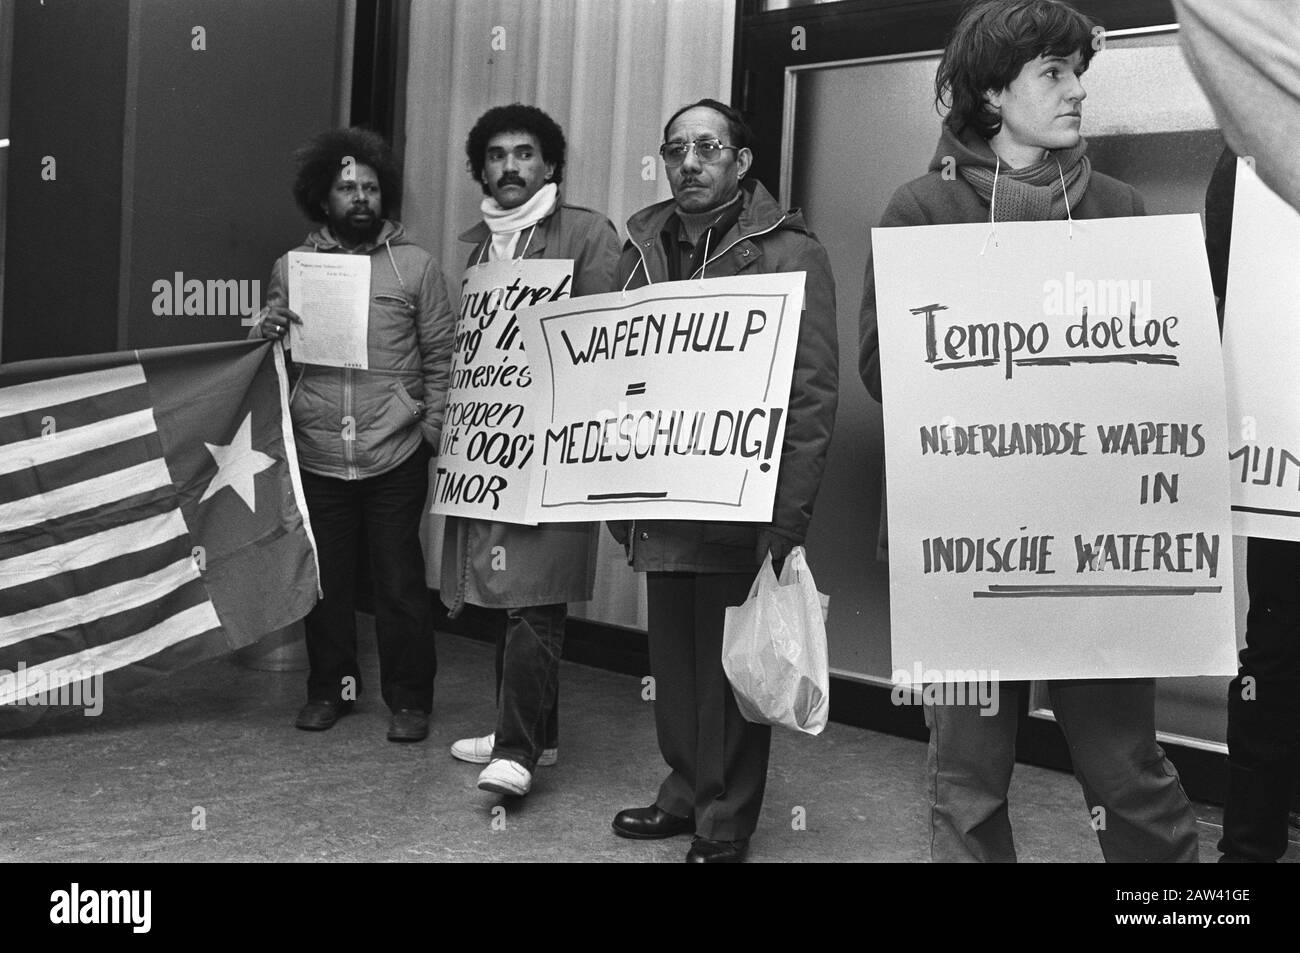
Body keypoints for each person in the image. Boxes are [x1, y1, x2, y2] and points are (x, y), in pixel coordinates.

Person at [859, 0, 1199, 862]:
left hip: (1097, 545)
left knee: (1130, 771)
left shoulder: (1123, 207)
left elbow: (1164, 367)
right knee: (965, 782)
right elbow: (878, 367)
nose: (1077, 90)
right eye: (1053, 73)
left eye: (1078, 71)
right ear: (990, 97)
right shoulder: (921, 210)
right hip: (966, 553)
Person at [609, 98, 838, 863]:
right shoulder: (637, 249)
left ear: (741, 163)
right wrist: (607, 486)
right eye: (675, 148)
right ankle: (684, 789)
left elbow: (811, 396)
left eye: (707, 147)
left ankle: (725, 819)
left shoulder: (790, 252)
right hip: (657, 486)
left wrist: (789, 517)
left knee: (730, 667)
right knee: (672, 662)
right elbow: (612, 373)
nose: (688, 162)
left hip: (742, 492)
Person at [443, 104, 621, 797]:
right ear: (480, 169)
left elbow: (609, 332)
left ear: (550, 166)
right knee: (504, 585)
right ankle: (533, 732)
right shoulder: (478, 248)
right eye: (495, 155)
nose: (509, 166)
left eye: (524, 153)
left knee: (534, 595)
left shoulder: (586, 232)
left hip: (554, 447)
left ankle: (516, 750)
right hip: (495, 445)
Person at [255, 127, 452, 742]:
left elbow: (445, 358)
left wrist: (430, 431)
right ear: (323, 198)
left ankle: (410, 701)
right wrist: (267, 328)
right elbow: (274, 361)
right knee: (326, 585)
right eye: (346, 188)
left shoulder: (415, 265)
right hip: (317, 452)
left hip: (394, 452)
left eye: (370, 187)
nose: (360, 197)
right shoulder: (292, 268)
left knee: (398, 584)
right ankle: (330, 691)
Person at [1204, 148, 1300, 862]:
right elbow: (1215, 291)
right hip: (1285, 474)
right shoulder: (1250, 162)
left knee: (1272, 655)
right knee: (1273, 660)